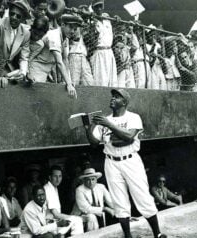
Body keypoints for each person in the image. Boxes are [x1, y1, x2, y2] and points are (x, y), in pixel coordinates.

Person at [84, 88, 167, 238]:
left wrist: (109, 125)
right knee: (119, 201)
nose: (113, 99)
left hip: (130, 160)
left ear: (124, 102)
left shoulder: (133, 117)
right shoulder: (105, 120)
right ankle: (128, 236)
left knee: (142, 196)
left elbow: (129, 137)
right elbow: (94, 143)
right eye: (112, 96)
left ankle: (158, 233)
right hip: (111, 162)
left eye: (117, 97)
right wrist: (88, 127)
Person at [27, 14, 77, 98]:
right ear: (63, 25)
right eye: (70, 27)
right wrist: (68, 84)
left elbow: (65, 60)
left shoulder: (66, 39)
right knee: (35, 97)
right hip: (37, 68)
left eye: (74, 29)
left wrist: (69, 81)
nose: (72, 31)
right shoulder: (54, 36)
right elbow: (59, 62)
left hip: (48, 70)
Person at [43, 165, 84, 235]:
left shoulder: (54, 187)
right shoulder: (48, 189)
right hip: (50, 224)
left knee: (77, 219)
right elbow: (56, 214)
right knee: (77, 220)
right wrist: (71, 217)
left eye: (60, 176)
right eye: (55, 176)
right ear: (50, 177)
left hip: (55, 221)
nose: (58, 179)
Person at [1, 0, 31, 83]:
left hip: (9, 70)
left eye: (18, 16)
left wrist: (23, 72)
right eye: (12, 14)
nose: (14, 17)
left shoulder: (25, 33)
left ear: (23, 19)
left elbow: (24, 57)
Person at [89, 0, 117, 87]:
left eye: (101, 6)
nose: (99, 8)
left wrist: (116, 19)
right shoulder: (92, 22)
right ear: (93, 8)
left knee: (112, 80)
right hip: (99, 52)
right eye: (97, 7)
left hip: (109, 51)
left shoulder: (108, 20)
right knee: (101, 80)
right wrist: (92, 23)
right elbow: (91, 40)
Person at [68, 15, 94, 86]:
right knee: (74, 82)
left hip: (83, 57)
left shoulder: (85, 31)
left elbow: (91, 39)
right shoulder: (74, 29)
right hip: (74, 55)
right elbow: (76, 37)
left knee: (89, 82)